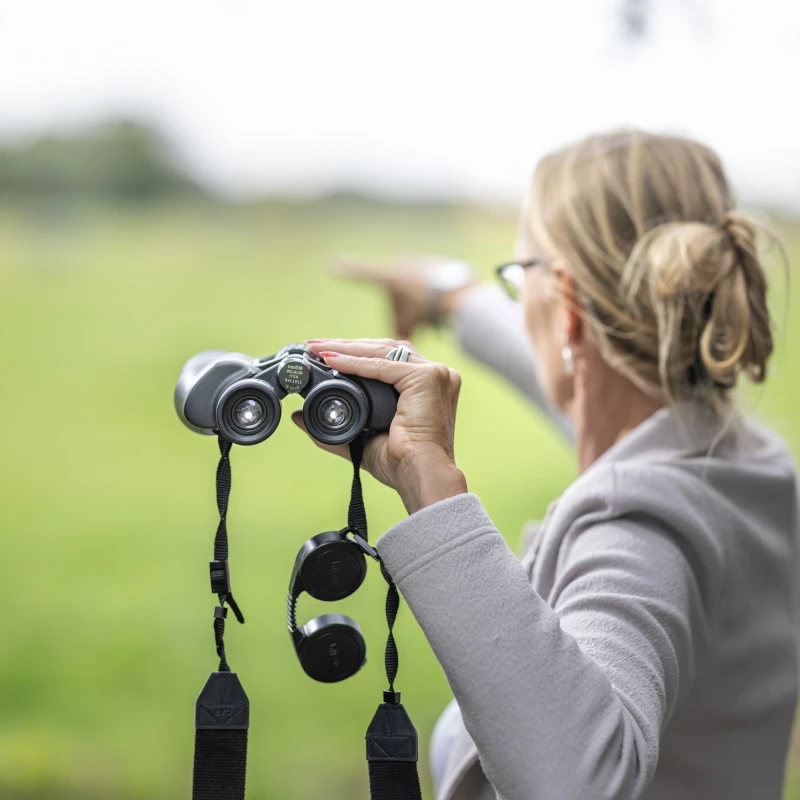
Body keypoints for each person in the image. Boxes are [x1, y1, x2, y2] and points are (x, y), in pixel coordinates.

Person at [292, 130, 800, 800]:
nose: (514, 297)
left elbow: (579, 782)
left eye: (517, 275)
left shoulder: (639, 519)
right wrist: (453, 296)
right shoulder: (731, 452)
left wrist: (433, 486)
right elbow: (582, 376)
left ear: (563, 303)